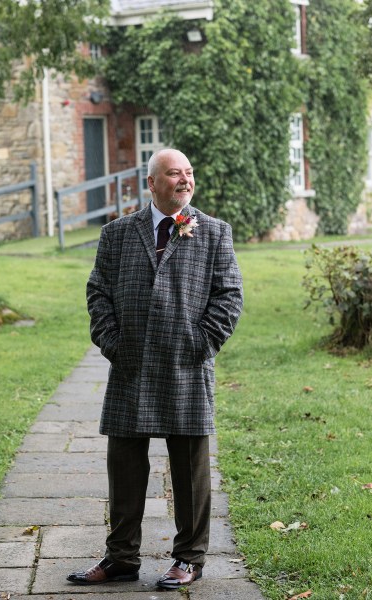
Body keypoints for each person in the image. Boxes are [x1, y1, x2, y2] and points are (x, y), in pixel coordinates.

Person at [67, 148, 243, 590]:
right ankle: (122, 557)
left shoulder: (215, 232)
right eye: (173, 173)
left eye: (188, 173)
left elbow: (229, 297)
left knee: (189, 469)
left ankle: (189, 558)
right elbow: (98, 292)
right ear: (151, 183)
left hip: (186, 365)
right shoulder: (117, 233)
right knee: (124, 465)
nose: (184, 180)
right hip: (131, 365)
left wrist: (201, 344)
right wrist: (112, 343)